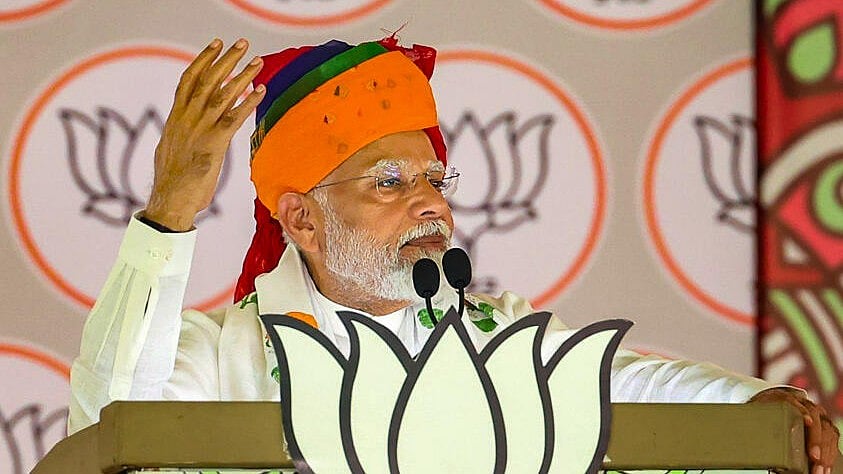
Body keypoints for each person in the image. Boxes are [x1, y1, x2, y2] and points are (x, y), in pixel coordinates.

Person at [67, 37, 839, 472]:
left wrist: (758, 410)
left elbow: (633, 384)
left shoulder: (494, 334)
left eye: (435, 178)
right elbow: (104, 429)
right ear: (302, 221)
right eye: (391, 182)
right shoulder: (218, 354)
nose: (430, 201)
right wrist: (170, 211)